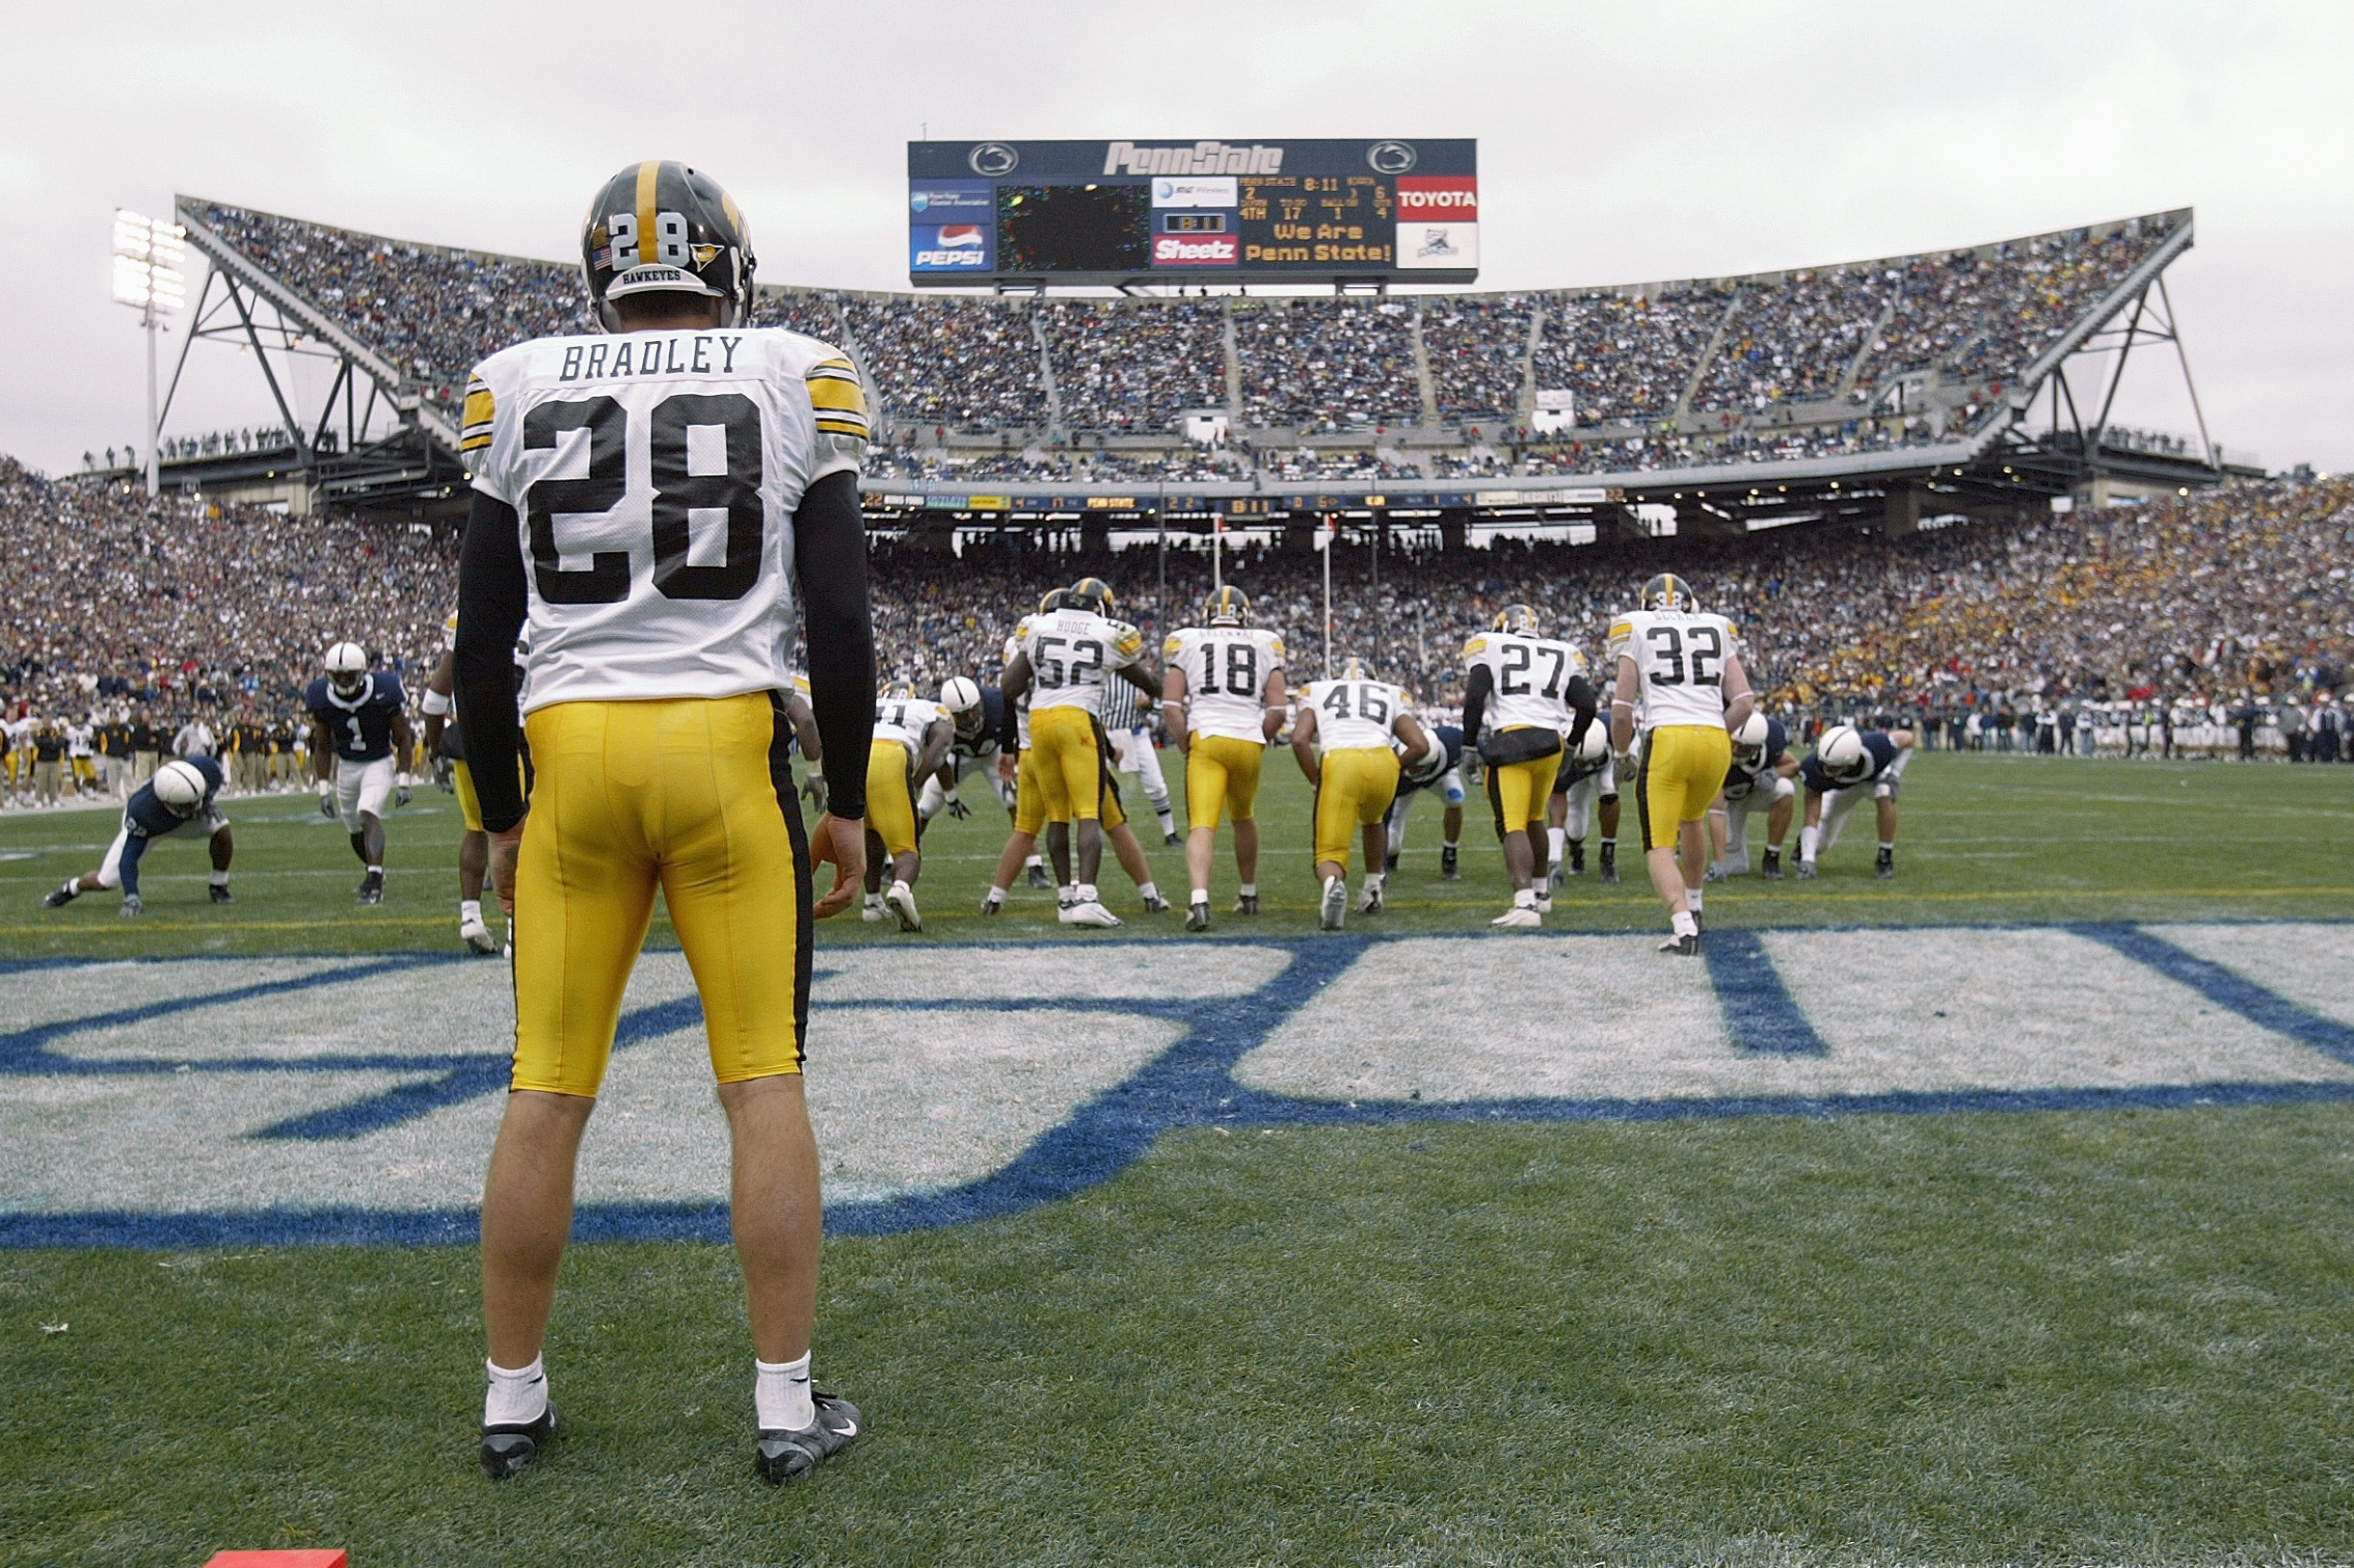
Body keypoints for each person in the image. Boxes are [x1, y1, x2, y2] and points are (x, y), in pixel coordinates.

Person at [453, 158, 872, 1485]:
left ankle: (511, 1400)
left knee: (545, 1090)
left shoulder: (515, 379)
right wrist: (853, 800)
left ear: (599, 273)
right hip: (722, 750)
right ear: (730, 267)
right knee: (761, 1080)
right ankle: (782, 1402)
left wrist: (504, 813)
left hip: (572, 751)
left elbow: (477, 642)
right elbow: (844, 619)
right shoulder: (795, 368)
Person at [998, 577, 1160, 928]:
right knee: (1088, 813)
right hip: (1078, 720)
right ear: (1099, 607)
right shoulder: (1107, 630)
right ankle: (1087, 896)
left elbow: (1009, 687)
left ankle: (1065, 900)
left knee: (1057, 816)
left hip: (1039, 724)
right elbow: (1143, 680)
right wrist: (1168, 694)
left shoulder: (1038, 626)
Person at [1606, 573, 1752, 956]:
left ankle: (1683, 927)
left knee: (1658, 844)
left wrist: (1622, 754)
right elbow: (1745, 701)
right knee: (1693, 820)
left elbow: (1621, 712)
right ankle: (1696, 904)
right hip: (1715, 739)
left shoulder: (1635, 626)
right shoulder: (1718, 626)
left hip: (1668, 737)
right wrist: (1712, 731)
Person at [1460, 602, 1598, 928]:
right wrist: (1573, 743)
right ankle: (1541, 894)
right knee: (1535, 817)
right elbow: (1587, 705)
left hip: (1512, 740)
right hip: (1551, 742)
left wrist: (1468, 744)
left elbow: (1474, 697)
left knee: (1512, 824)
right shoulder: (1563, 652)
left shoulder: (1489, 644)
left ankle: (1524, 904)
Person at [1160, 585, 1286, 932]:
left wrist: (1187, 745)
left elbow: (1171, 706)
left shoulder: (1187, 641)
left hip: (1208, 737)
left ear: (1207, 615)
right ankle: (1248, 893)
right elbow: (1277, 708)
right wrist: (1259, 738)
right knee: (1243, 817)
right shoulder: (1263, 642)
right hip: (1247, 738)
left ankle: (1199, 899)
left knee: (1203, 824)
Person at [1291, 657, 1437, 929]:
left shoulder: (1318, 690)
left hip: (1341, 762)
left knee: (1329, 852)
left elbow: (1299, 739)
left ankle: (1333, 884)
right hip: (1382, 762)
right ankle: (1373, 889)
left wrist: (1316, 780)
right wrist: (1394, 766)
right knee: (1374, 821)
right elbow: (1419, 745)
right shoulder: (1390, 692)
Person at [42, 757, 234, 914]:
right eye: (188, 805)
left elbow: (200, 798)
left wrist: (204, 803)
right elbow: (129, 856)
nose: (195, 807)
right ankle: (73, 887)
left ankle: (218, 886)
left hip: (182, 819)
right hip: (154, 826)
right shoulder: (143, 812)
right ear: (168, 802)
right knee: (106, 881)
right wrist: (131, 895)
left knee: (222, 829)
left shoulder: (207, 771)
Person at [306, 641, 414, 905]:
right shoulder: (321, 697)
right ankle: (373, 871)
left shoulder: (384, 690)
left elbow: (404, 738)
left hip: (378, 761)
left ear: (363, 672)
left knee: (368, 812)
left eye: (349, 675)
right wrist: (322, 790)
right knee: (354, 827)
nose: (343, 680)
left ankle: (375, 880)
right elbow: (322, 745)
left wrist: (404, 781)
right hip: (348, 765)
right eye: (338, 675)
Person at [862, 686, 952, 931]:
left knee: (872, 831)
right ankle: (900, 888)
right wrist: (917, 781)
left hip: (857, 757)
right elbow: (943, 738)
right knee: (907, 850)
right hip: (890, 756)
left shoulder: (867, 702)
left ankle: (872, 903)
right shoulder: (925, 707)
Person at [1797, 723, 1915, 879]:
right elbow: (1811, 814)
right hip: (1844, 788)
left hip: (1873, 780)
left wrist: (1894, 772)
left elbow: (1908, 738)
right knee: (1821, 842)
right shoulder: (1814, 768)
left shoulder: (1877, 747)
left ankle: (1884, 857)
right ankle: (1803, 847)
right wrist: (1808, 859)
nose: (1825, 769)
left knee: (1884, 793)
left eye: (1832, 767)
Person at [1097, 649, 1179, 844]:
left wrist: (1149, 705)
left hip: (1137, 734)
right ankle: (1098, 831)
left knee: (1157, 786)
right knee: (1099, 786)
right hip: (1108, 734)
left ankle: (1170, 833)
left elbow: (1165, 704)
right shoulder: (1102, 674)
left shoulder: (1143, 676)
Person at [1711, 711, 1798, 878]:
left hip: (1755, 792)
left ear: (1757, 746)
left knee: (1785, 788)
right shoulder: (1716, 747)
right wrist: (1719, 861)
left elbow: (1793, 764)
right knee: (1735, 869)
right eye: (1734, 744)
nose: (1736, 750)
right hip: (1727, 802)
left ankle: (1772, 856)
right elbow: (1716, 808)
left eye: (1743, 748)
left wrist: (1774, 773)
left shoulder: (1770, 744)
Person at [1384, 720, 1466, 879]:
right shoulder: (1396, 770)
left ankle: (1450, 854)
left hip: (1439, 776)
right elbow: (1384, 817)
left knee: (1456, 798)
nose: (1412, 770)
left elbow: (1479, 747)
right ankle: (1391, 858)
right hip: (1406, 788)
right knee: (1391, 844)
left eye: (1417, 766)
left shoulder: (1451, 740)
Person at [1547, 721, 1620, 887]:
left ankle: (1607, 856)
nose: (1588, 767)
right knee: (1575, 827)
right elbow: (1556, 811)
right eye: (1583, 763)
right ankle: (1575, 850)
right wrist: (1555, 861)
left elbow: (1628, 731)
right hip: (1572, 770)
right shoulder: (1558, 755)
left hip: (1605, 767)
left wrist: (1628, 756)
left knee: (1609, 792)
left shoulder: (1611, 726)